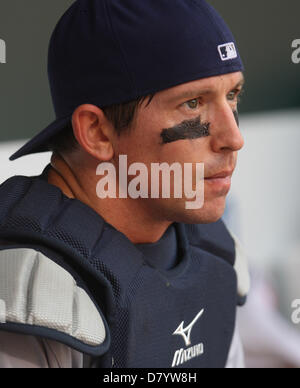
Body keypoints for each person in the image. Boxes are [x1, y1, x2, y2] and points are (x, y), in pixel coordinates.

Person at [0, 0, 250, 368]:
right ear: (97, 132)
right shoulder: (30, 293)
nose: (233, 138)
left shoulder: (214, 258)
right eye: (193, 104)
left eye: (232, 96)